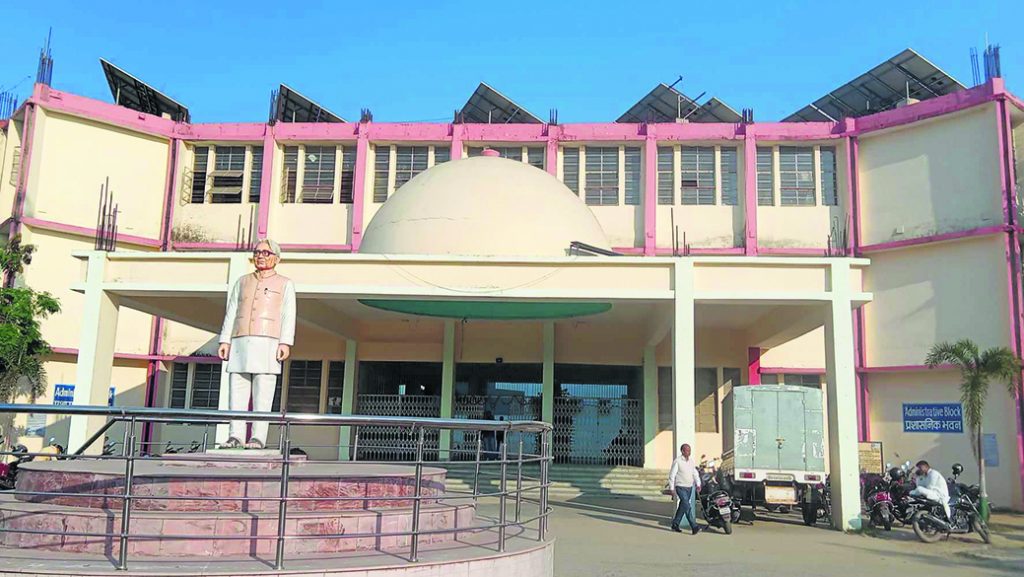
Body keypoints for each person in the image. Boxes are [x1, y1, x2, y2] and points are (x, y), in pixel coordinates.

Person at [218, 239, 296, 450]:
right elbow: (231, 311)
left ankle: (258, 437)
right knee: (237, 391)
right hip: (240, 341)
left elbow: (288, 314)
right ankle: (235, 435)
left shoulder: (285, 283)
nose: (260, 256)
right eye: (257, 252)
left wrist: (285, 342)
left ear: (276, 258)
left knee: (263, 393)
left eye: (266, 252)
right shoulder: (242, 281)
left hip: (268, 341)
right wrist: (225, 339)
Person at [668, 443, 702, 534]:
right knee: (687, 506)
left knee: (682, 506)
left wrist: (698, 484)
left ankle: (675, 524)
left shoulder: (691, 461)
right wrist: (671, 488)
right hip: (680, 487)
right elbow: (672, 475)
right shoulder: (677, 461)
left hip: (689, 487)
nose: (689, 452)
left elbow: (695, 473)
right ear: (682, 451)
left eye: (690, 450)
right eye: (687, 450)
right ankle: (694, 526)